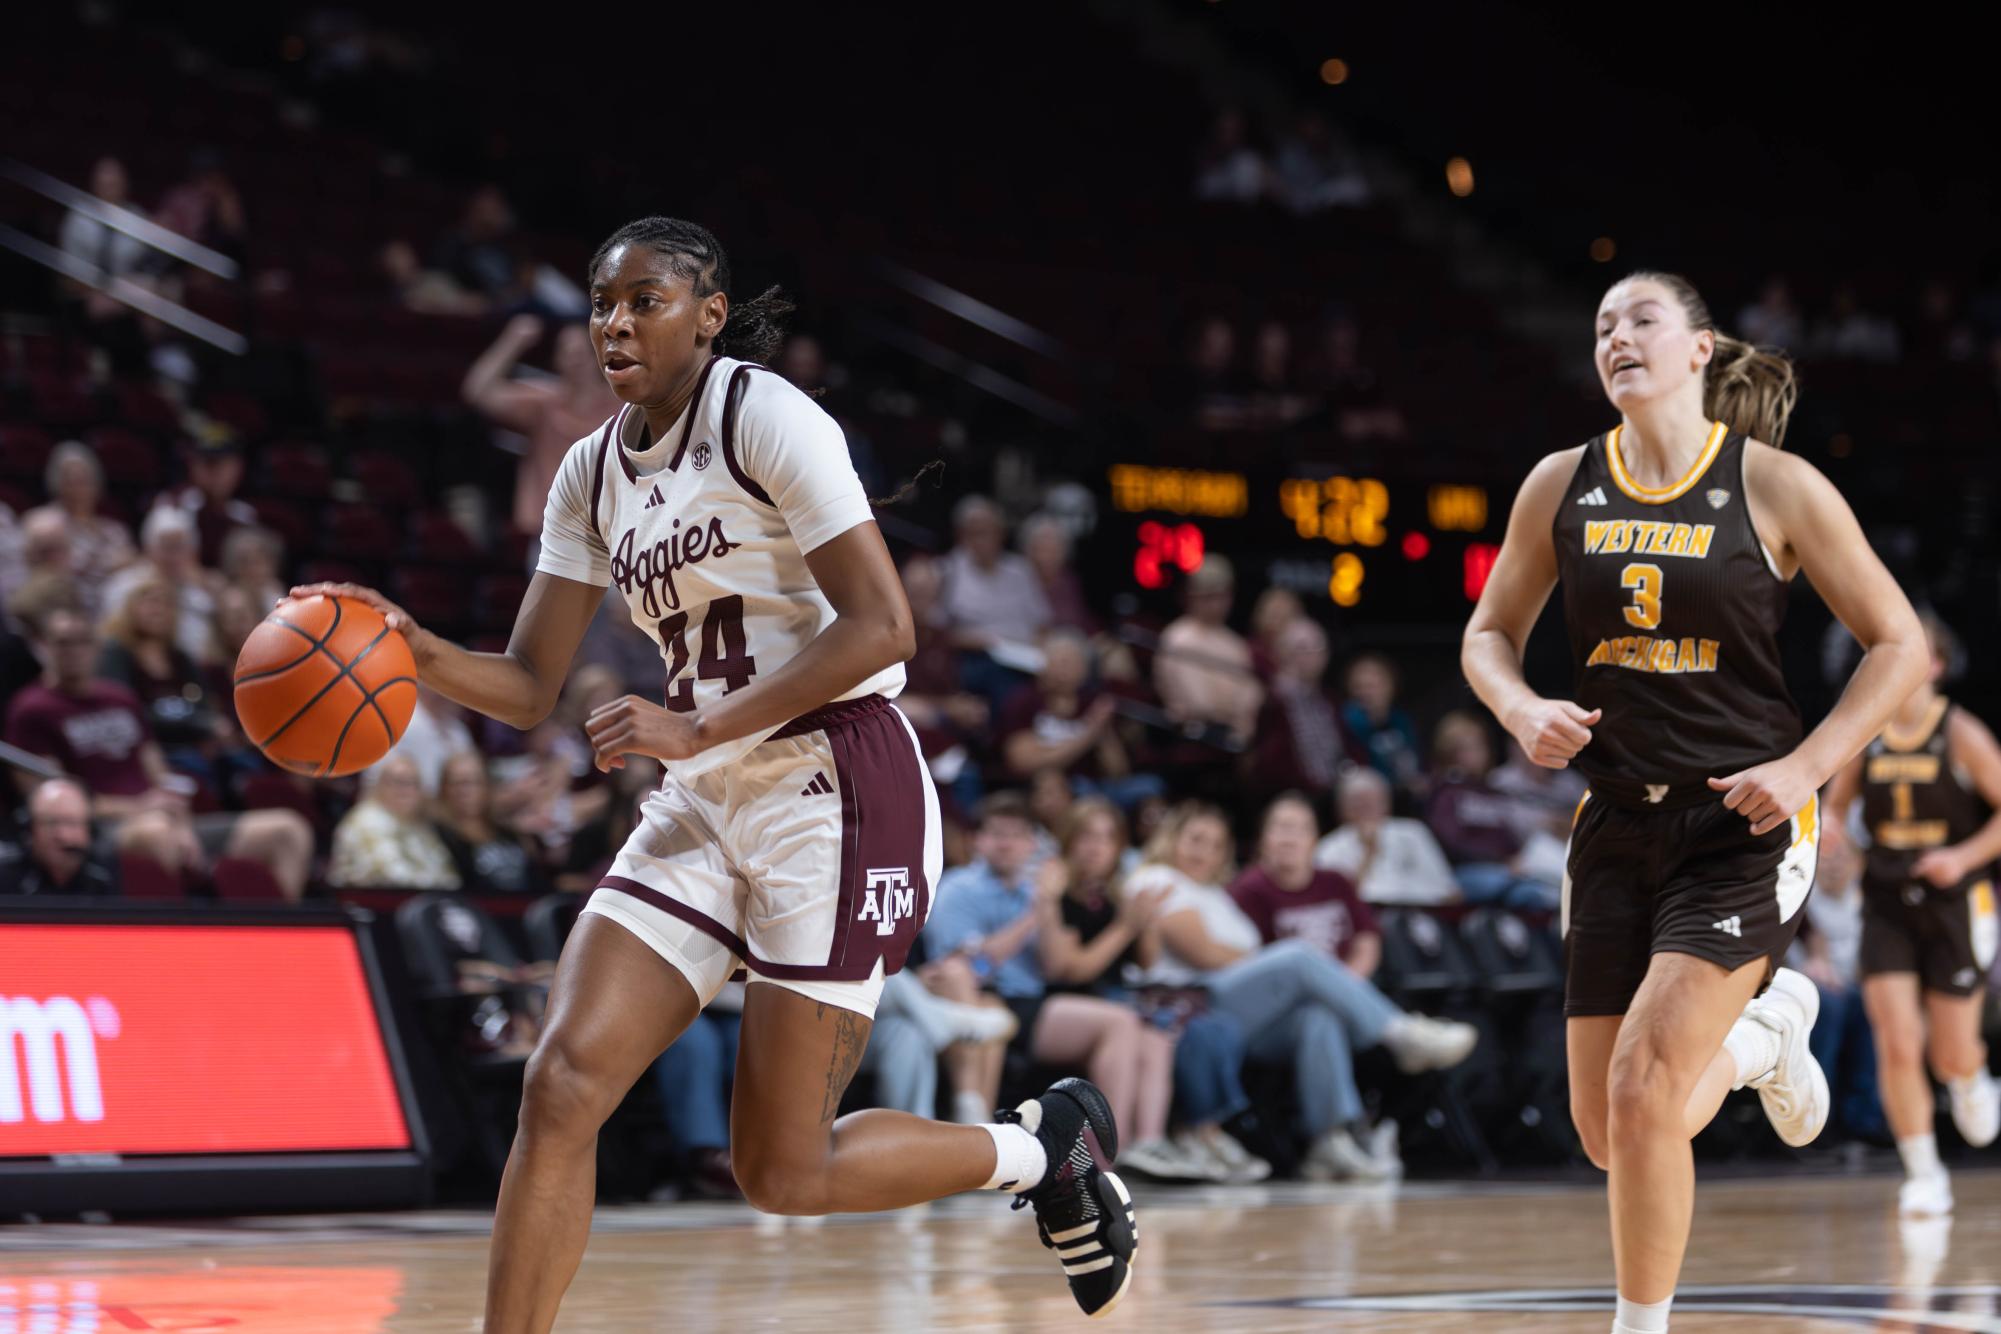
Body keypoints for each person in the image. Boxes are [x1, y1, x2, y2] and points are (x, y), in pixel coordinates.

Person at [292, 216, 1136, 1328]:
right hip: (706, 795)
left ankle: (1040, 1150)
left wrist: (697, 727)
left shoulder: (766, 416)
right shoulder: (590, 473)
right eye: (600, 301)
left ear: (708, 312)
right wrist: (409, 646)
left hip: (837, 787)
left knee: (782, 1172)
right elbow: (531, 681)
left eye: (644, 299)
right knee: (560, 1085)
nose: (614, 322)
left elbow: (884, 625)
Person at [1460, 269, 1929, 1334]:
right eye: (1601, 326)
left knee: (1643, 1086)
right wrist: (1519, 704)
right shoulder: (1557, 483)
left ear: (1700, 350)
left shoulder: (1775, 485)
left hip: (1743, 826)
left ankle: (1641, 1325)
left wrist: (1808, 765)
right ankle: (1768, 1038)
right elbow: (1486, 634)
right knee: (1609, 1128)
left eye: (1641, 319)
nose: (1616, 336)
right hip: (1616, 820)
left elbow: (1901, 645)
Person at [1132, 802, 1476, 1181]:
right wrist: (1256, 957)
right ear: (1172, 839)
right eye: (1195, 840)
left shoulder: (1216, 893)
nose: (1204, 852)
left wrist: (1253, 958)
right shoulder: (1157, 879)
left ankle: (1329, 1141)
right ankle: (1399, 1032)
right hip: (1193, 1004)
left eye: (1215, 844)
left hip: (1237, 1010)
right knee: (1295, 956)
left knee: (1319, 1015)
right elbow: (1205, 952)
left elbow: (1240, 954)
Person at [1823, 614, 2001, 1216]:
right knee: (1897, 1040)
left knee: (1950, 1051)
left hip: (1955, 899)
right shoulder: (1866, 732)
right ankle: (1923, 1171)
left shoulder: (1961, 731)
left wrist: (1961, 856)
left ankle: (1972, 1078)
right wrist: (1828, 833)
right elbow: (1835, 805)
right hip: (1886, 898)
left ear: (1935, 666)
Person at [925, 794, 1184, 1179]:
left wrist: (1142, 920)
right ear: (977, 840)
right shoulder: (961, 889)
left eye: (1018, 835)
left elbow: (1056, 962)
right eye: (997, 834)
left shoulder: (1045, 886)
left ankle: (1136, 1147)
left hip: (1035, 999)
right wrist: (1040, 909)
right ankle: (1107, 1154)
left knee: (1152, 1030)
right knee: (1119, 1022)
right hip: (991, 997)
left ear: (1033, 843)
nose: (1007, 843)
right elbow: (963, 970)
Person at [1038, 797, 1269, 1182]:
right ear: (1068, 842)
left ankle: (1147, 1144)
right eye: (1087, 837)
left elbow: (1143, 962)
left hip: (1114, 998)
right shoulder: (1056, 892)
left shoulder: (1115, 894)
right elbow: (1069, 970)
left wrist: (1146, 924)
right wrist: (1128, 925)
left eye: (1108, 838)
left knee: (1159, 1032)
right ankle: (1114, 1148)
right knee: (1132, 1022)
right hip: (1067, 1001)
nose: (1096, 847)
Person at [5, 605, 311, 896]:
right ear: (45, 646)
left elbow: (159, 773)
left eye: (82, 641)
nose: (74, 651)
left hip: (161, 818)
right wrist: (142, 808)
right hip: (103, 830)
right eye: (63, 642)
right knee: (156, 833)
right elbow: (51, 803)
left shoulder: (120, 697)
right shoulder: (31, 710)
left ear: (96, 646)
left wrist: (175, 816)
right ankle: (182, 939)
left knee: (288, 830)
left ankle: (282, 941)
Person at [462, 313, 620, 543]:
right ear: (557, 360)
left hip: (611, 530)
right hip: (551, 532)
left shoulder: (625, 406)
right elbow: (477, 392)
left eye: (581, 352)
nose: (574, 359)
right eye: (566, 352)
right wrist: (514, 339)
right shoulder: (544, 402)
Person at [996, 630, 1159, 813]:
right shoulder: (1024, 701)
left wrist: (1103, 733)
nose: (1063, 670)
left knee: (1150, 786)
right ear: (1044, 664)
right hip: (1049, 787)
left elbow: (1118, 772)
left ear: (1084, 670)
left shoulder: (1091, 703)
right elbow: (1022, 762)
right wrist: (1089, 733)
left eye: (1071, 663)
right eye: (1059, 661)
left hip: (1096, 785)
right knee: (1074, 789)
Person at [1425, 711, 1560, 910]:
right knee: (1527, 892)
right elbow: (1450, 842)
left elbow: (1508, 836)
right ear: (1450, 752)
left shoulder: (1494, 791)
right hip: (1464, 872)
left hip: (1509, 870)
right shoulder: (1446, 791)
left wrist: (1517, 858)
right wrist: (1500, 861)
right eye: (1467, 748)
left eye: (1480, 746)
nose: (1478, 754)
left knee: (1551, 889)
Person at [1245, 616, 1361, 806]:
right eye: (1303, 649)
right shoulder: (1273, 700)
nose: (1313, 656)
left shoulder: (1331, 700)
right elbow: (1269, 763)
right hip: (1290, 796)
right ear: (1283, 654)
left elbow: (1349, 748)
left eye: (1318, 649)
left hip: (1333, 793)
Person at [1153, 557, 1262, 747]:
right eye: (1208, 597)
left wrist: (1241, 715)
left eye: (1222, 595)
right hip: (1196, 739)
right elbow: (1198, 703)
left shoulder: (1236, 643)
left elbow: (1253, 696)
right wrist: (1232, 713)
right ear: (1192, 597)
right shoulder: (1178, 637)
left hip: (1238, 737)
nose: (1216, 604)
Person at [1314, 768, 1461, 906]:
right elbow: (1338, 902)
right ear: (1342, 809)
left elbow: (1449, 889)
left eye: (1372, 800)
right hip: (1375, 913)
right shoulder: (1329, 846)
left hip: (1426, 910)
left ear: (1386, 803)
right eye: (1357, 802)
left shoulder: (1413, 831)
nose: (1366, 807)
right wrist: (1369, 853)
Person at [26, 441, 136, 617]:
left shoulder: (114, 530)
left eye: (85, 480)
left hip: (110, 608)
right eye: (71, 480)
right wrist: (105, 566)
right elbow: (39, 572)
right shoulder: (43, 522)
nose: (79, 488)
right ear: (57, 483)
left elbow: (131, 563)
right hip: (61, 607)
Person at [328, 754, 461, 889]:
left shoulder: (419, 825)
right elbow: (393, 878)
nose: (406, 790)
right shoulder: (367, 820)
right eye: (398, 782)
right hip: (372, 905)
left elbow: (449, 877)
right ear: (379, 785)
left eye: (414, 783)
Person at [101, 507, 215, 662]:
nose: (173, 556)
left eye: (179, 547)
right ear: (149, 548)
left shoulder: (199, 598)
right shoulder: (122, 587)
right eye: (166, 547)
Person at [436, 751, 543, 895]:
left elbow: (536, 882)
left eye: (474, 782)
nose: (465, 791)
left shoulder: (510, 835)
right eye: (458, 783)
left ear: (487, 787)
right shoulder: (439, 836)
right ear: (444, 789)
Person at [0, 777, 121, 897]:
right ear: (29, 829)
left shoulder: (103, 876)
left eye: (72, 823)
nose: (63, 835)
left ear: (90, 830)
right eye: (52, 823)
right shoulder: (5, 874)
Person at [155, 438, 261, 569]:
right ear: (193, 466)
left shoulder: (244, 514)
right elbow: (163, 559)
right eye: (208, 465)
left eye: (223, 466)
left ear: (238, 468)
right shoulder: (173, 503)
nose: (216, 473)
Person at [1340, 652, 1424, 802]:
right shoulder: (1346, 720)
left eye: (1373, 686)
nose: (1367, 693)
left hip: (1403, 794)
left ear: (1391, 686)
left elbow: (1412, 760)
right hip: (1366, 796)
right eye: (1359, 687)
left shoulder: (1401, 720)